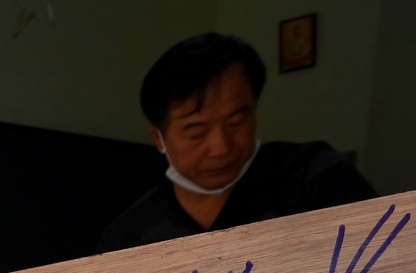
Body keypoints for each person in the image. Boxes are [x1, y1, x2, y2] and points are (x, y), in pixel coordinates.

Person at [99, 32, 376, 252]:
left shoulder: (316, 179)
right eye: (196, 131)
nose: (221, 148)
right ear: (158, 138)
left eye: (236, 123)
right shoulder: (129, 236)